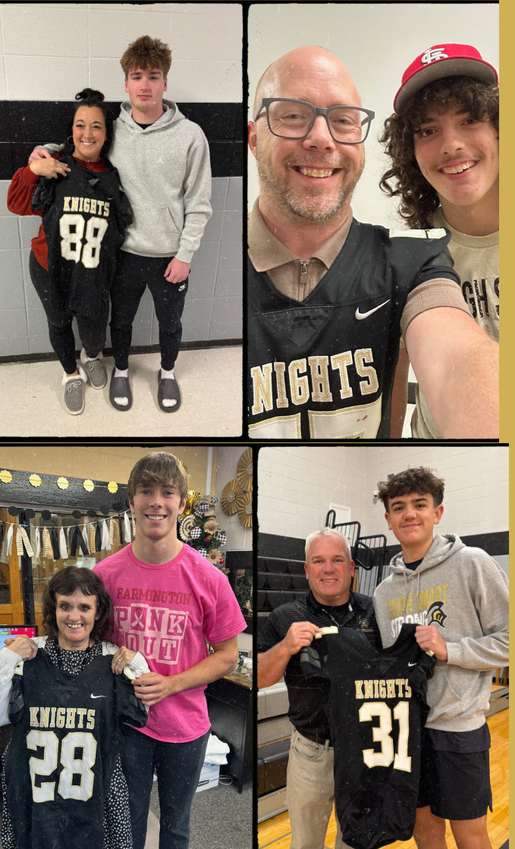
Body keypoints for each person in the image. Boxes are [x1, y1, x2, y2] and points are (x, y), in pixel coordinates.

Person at [247, 45, 498, 439]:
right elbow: (398, 372)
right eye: (293, 116)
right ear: (253, 137)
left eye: (342, 120)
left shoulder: (413, 257)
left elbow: (458, 360)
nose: (320, 138)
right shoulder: (427, 235)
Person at [29, 36, 212, 413]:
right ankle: (123, 371)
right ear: (126, 84)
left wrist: (186, 253)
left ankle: (167, 373)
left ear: (165, 82)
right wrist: (43, 154)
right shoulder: (114, 130)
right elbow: (83, 143)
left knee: (170, 324)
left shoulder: (191, 136)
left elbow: (198, 204)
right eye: (137, 76)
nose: (145, 84)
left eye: (153, 76)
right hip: (122, 254)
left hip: (169, 257)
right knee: (121, 322)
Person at [95, 451, 244, 849]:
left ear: (181, 503)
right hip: (126, 725)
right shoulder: (103, 575)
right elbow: (83, 640)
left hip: (185, 729)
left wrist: (172, 683)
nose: (156, 501)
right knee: (125, 822)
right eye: (145, 491)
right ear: (131, 501)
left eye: (167, 492)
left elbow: (228, 655)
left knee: (176, 827)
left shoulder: (209, 578)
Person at [373, 467, 509, 849]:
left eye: (420, 504)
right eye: (399, 507)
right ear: (388, 520)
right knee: (425, 834)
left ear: (438, 513)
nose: (409, 514)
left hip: (458, 729)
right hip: (406, 732)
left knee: (471, 836)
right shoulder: (384, 594)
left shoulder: (472, 563)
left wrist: (452, 649)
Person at [379, 44, 499, 438]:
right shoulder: (406, 251)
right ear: (410, 152)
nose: (450, 145)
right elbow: (394, 372)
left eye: (470, 120)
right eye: (428, 130)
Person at [0, 567, 149, 849]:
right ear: (54, 609)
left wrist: (136, 663)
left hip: (98, 791)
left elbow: (142, 714)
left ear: (98, 612)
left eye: (84, 607)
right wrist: (7, 658)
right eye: (65, 606)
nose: (74, 617)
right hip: (36, 791)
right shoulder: (30, 654)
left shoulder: (114, 660)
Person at [7, 88, 132, 414]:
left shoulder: (116, 178)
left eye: (96, 126)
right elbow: (16, 204)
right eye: (80, 125)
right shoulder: (55, 168)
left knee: (93, 330)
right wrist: (34, 171)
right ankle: (69, 374)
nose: (87, 133)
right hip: (50, 267)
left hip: (92, 272)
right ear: (71, 130)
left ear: (107, 134)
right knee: (59, 323)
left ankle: (90, 356)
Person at [257, 528, 378, 849]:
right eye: (319, 561)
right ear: (307, 570)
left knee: (356, 843)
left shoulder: (376, 613)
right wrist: (285, 647)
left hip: (368, 750)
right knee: (305, 844)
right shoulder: (285, 618)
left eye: (338, 560)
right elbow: (260, 678)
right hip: (312, 752)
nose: (328, 569)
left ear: (352, 568)